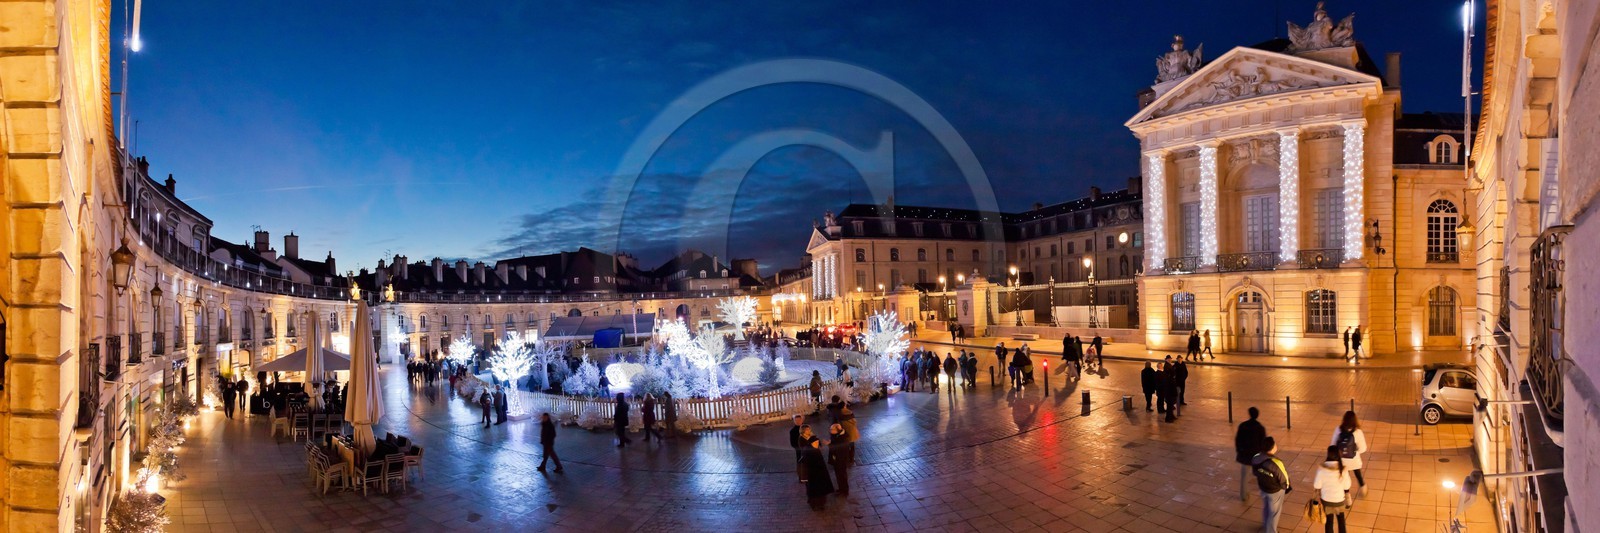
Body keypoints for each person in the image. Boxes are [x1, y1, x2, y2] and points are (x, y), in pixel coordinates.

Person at [1252, 436, 1292, 532]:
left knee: (1266, 507)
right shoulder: (1276, 463)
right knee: (1274, 513)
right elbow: (1285, 480)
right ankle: (1271, 531)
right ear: (1272, 447)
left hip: (1263, 487)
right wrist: (1286, 487)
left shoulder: (1256, 457)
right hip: (1275, 491)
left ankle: (1266, 525)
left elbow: (1254, 472)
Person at [1313, 444, 1353, 533]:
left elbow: (1317, 485)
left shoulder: (1321, 469)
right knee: (1341, 521)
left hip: (1326, 501)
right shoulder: (1343, 469)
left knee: (1329, 522)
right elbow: (1347, 486)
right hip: (1339, 500)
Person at [1332, 410, 1368, 495]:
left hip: (1342, 461)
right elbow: (1363, 448)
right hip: (1354, 460)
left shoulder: (1338, 429)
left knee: (1344, 478)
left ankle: (1346, 494)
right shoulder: (1358, 432)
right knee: (1358, 475)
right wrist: (1355, 451)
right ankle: (1363, 489)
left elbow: (1333, 444)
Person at [1235, 407, 1267, 501]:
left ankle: (1243, 495)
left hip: (1245, 455)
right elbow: (1263, 442)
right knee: (1262, 474)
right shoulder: (1260, 427)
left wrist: (1239, 450)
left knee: (1244, 476)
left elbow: (1238, 439)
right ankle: (1265, 492)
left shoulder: (1243, 425)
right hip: (1256, 456)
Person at [800, 425, 834, 510]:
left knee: (820, 490)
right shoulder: (807, 451)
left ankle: (821, 503)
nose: (817, 444)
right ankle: (814, 505)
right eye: (815, 443)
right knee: (814, 491)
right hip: (812, 474)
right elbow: (806, 464)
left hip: (819, 473)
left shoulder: (816, 450)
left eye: (817, 443)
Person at [827, 423, 855, 496]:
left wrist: (829, 444)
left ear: (838, 430)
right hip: (837, 460)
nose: (830, 431)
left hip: (841, 460)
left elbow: (838, 449)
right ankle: (841, 489)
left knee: (842, 475)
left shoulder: (843, 438)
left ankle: (844, 491)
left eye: (832, 429)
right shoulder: (837, 435)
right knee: (839, 475)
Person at [789, 415, 807, 483]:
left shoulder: (806, 428)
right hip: (800, 451)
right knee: (801, 464)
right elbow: (793, 443)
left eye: (799, 420)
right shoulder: (793, 431)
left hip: (807, 449)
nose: (798, 422)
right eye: (796, 420)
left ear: (802, 420)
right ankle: (802, 478)